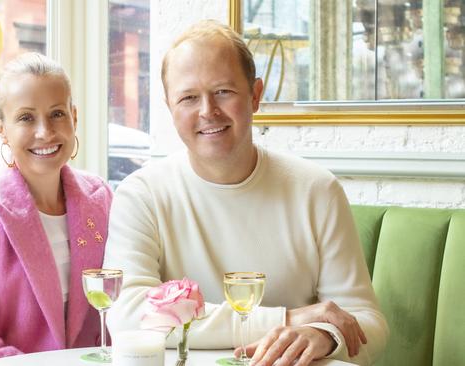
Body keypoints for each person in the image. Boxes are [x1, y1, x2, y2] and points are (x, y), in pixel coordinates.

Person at [103, 20, 388, 366]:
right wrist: (286, 320)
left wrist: (324, 335)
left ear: (255, 95)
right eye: (189, 98)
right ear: (169, 107)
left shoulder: (317, 190)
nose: (207, 111)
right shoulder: (142, 194)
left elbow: (367, 324)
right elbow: (128, 314)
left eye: (223, 91)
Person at [0, 52, 113, 365]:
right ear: (2, 129)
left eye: (57, 113)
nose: (45, 131)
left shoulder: (102, 199)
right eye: (26, 118)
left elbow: (125, 311)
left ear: (74, 117)